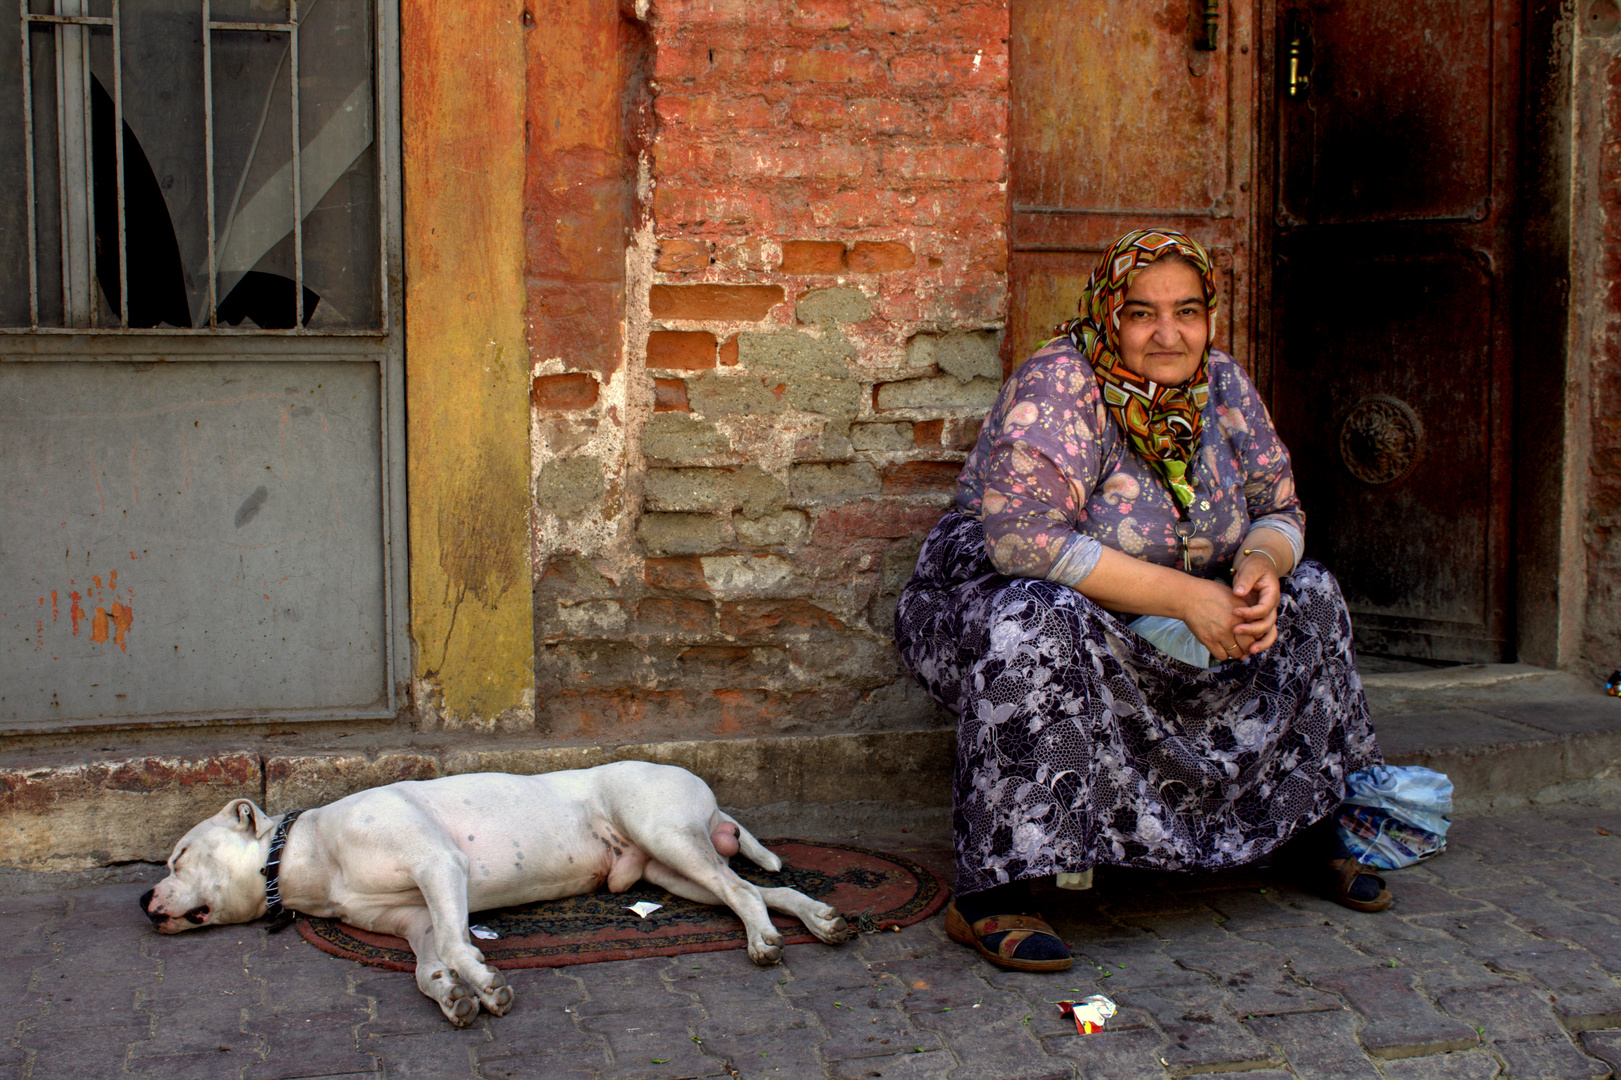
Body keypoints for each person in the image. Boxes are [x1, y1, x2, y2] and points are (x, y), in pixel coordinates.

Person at [893, 229, 1387, 974]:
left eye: (1186, 312)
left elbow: (1281, 509)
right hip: (1004, 598)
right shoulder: (1062, 382)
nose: (1167, 335)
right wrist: (1189, 596)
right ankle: (997, 891)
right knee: (1038, 618)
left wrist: (1259, 563)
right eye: (1141, 313)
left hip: (1172, 611)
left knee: (1310, 591)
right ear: (1106, 313)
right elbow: (1023, 543)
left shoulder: (1221, 384)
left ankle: (1304, 831)